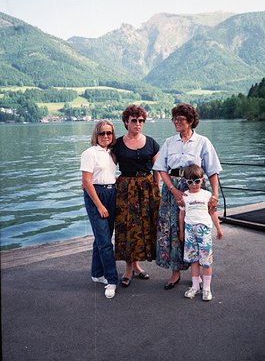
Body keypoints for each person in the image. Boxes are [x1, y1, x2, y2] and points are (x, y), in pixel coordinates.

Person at [152, 103, 222, 290]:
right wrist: (173, 190)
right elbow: (161, 168)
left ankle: (196, 274)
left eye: (180, 118)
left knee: (194, 229)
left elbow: (213, 171)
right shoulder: (169, 142)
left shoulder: (203, 142)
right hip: (171, 190)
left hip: (195, 189)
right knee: (172, 229)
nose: (176, 121)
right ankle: (175, 273)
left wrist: (214, 196)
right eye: (174, 118)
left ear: (190, 121)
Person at [112, 104, 161, 287]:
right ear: (126, 122)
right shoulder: (117, 144)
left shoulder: (151, 142)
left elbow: (158, 168)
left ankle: (138, 266)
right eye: (134, 121)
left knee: (143, 227)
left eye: (141, 121)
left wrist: (157, 189)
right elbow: (110, 168)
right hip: (125, 189)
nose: (138, 124)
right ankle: (128, 269)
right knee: (127, 228)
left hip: (147, 189)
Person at [80, 120, 118, 299]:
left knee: (102, 237)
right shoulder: (90, 153)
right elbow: (87, 181)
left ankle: (97, 273)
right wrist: (100, 205)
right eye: (102, 133)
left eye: (109, 133)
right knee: (105, 242)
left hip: (112, 192)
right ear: (96, 134)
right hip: (97, 195)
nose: (105, 136)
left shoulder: (112, 153)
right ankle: (112, 280)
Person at [179, 164, 223, 301]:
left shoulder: (207, 195)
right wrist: (181, 231)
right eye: (190, 182)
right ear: (185, 181)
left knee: (206, 261)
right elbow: (181, 215)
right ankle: (195, 286)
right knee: (193, 260)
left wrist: (218, 229)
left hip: (204, 231)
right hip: (190, 230)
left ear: (202, 180)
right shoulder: (184, 196)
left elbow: (212, 213)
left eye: (197, 181)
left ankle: (206, 288)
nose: (194, 184)